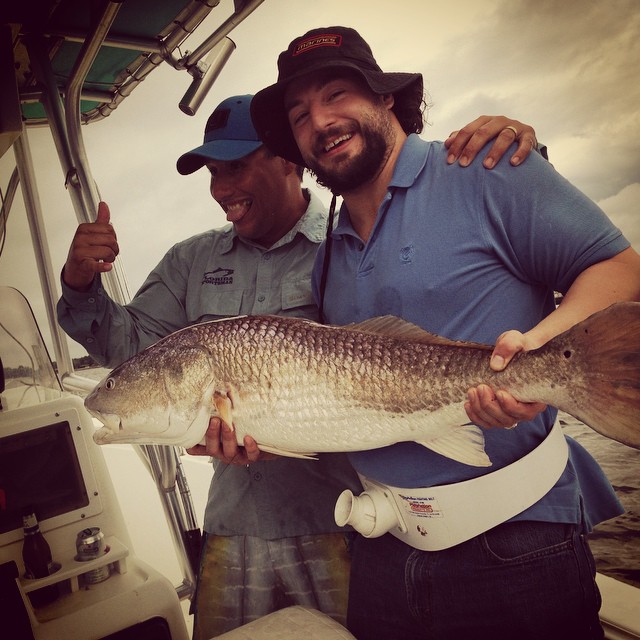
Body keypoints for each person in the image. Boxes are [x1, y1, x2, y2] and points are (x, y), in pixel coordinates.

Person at [57, 94, 539, 638]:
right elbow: (133, 354)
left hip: (346, 520)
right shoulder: (189, 261)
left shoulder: (352, 240)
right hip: (234, 522)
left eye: (235, 166)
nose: (220, 189)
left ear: (289, 158)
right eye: (212, 173)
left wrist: (515, 148)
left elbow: (429, 312)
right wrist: (80, 283)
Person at [250, 26, 640, 640]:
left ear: (384, 99)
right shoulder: (328, 256)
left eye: (337, 94)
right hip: (382, 556)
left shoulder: (487, 168)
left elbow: (617, 267)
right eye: (299, 115)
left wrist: (545, 345)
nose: (320, 121)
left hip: (517, 549)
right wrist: (257, 428)